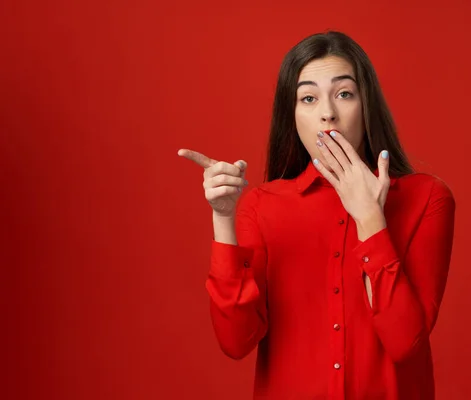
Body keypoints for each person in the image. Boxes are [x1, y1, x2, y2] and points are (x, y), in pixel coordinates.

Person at [178, 31, 455, 400]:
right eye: (308, 98)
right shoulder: (263, 206)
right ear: (291, 116)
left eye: (344, 94)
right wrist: (223, 217)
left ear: (366, 105)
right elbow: (235, 342)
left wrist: (370, 219)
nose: (328, 112)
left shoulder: (428, 198)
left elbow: (405, 341)